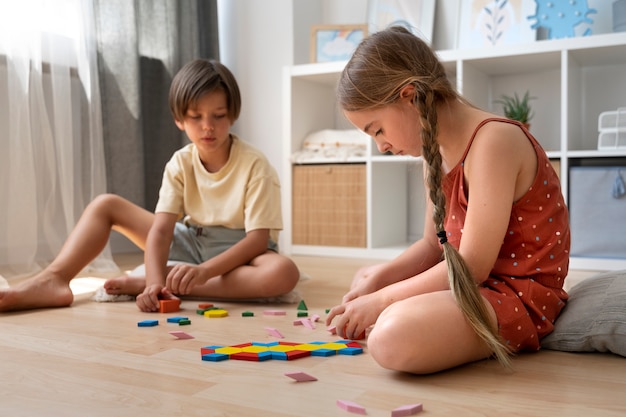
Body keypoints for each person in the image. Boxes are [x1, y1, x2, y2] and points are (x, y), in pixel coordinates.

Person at [325, 26, 570, 374]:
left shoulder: (494, 141)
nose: (380, 146)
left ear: (409, 96)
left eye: (377, 129)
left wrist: (381, 301)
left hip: (515, 296)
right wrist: (376, 285)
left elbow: (470, 266)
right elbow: (430, 246)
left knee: (389, 337)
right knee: (367, 276)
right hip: (475, 285)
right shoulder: (433, 152)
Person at [0, 59, 300, 313]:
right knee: (105, 204)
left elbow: (257, 241)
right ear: (179, 120)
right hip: (190, 240)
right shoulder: (180, 162)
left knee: (283, 273)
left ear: (232, 115)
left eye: (218, 116)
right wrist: (157, 282)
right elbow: (161, 229)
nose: (208, 126)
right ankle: (54, 279)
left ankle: (177, 283)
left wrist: (203, 272)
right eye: (196, 117)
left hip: (240, 251)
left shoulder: (255, 165)